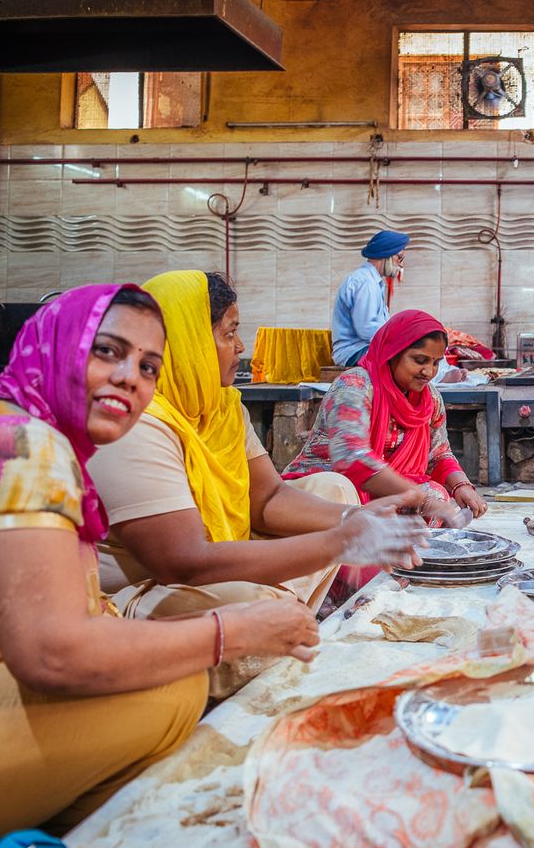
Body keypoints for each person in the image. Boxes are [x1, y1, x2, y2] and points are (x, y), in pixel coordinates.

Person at [0, 284, 319, 848]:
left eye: (149, 365)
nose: (132, 377)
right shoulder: (19, 443)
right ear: (55, 348)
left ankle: (56, 835)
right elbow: (54, 649)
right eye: (107, 351)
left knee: (165, 665)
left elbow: (268, 498)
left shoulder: (31, 430)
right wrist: (234, 631)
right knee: (171, 683)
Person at [88, 271, 425, 636]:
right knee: (250, 604)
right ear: (189, 341)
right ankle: (273, 610)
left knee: (334, 488)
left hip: (218, 555)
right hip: (146, 587)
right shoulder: (137, 423)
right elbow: (184, 563)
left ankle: (276, 607)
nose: (240, 347)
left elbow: (266, 498)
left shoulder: (223, 408)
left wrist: (354, 517)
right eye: (228, 333)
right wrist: (341, 541)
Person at [284, 310, 487, 518]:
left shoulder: (430, 399)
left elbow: (438, 453)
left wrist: (461, 486)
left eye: (435, 363)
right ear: (393, 352)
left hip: (387, 489)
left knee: (437, 495)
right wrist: (420, 499)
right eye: (419, 360)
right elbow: (350, 457)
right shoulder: (355, 386)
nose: (428, 372)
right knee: (337, 492)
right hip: (336, 485)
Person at [331, 229, 409, 367]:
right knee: (411, 353)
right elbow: (367, 329)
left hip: (364, 348)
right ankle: (443, 376)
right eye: (400, 258)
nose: (401, 264)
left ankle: (444, 375)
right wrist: (401, 340)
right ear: (386, 256)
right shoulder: (365, 282)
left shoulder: (373, 281)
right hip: (354, 352)